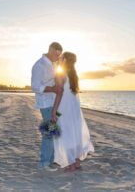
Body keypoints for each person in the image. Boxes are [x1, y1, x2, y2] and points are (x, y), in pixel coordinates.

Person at [51, 51, 94, 172]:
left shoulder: (61, 74)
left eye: (61, 58)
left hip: (63, 109)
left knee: (66, 134)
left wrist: (54, 111)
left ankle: (70, 164)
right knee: (75, 133)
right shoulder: (73, 75)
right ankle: (76, 162)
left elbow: (60, 94)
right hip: (74, 110)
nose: (59, 59)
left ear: (64, 60)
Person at [31, 42, 63, 171]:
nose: (57, 57)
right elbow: (35, 86)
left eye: (59, 55)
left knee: (54, 131)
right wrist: (53, 89)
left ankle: (51, 160)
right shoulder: (39, 65)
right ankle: (45, 162)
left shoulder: (53, 64)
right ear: (50, 49)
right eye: (56, 54)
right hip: (46, 104)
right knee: (49, 132)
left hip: (55, 104)